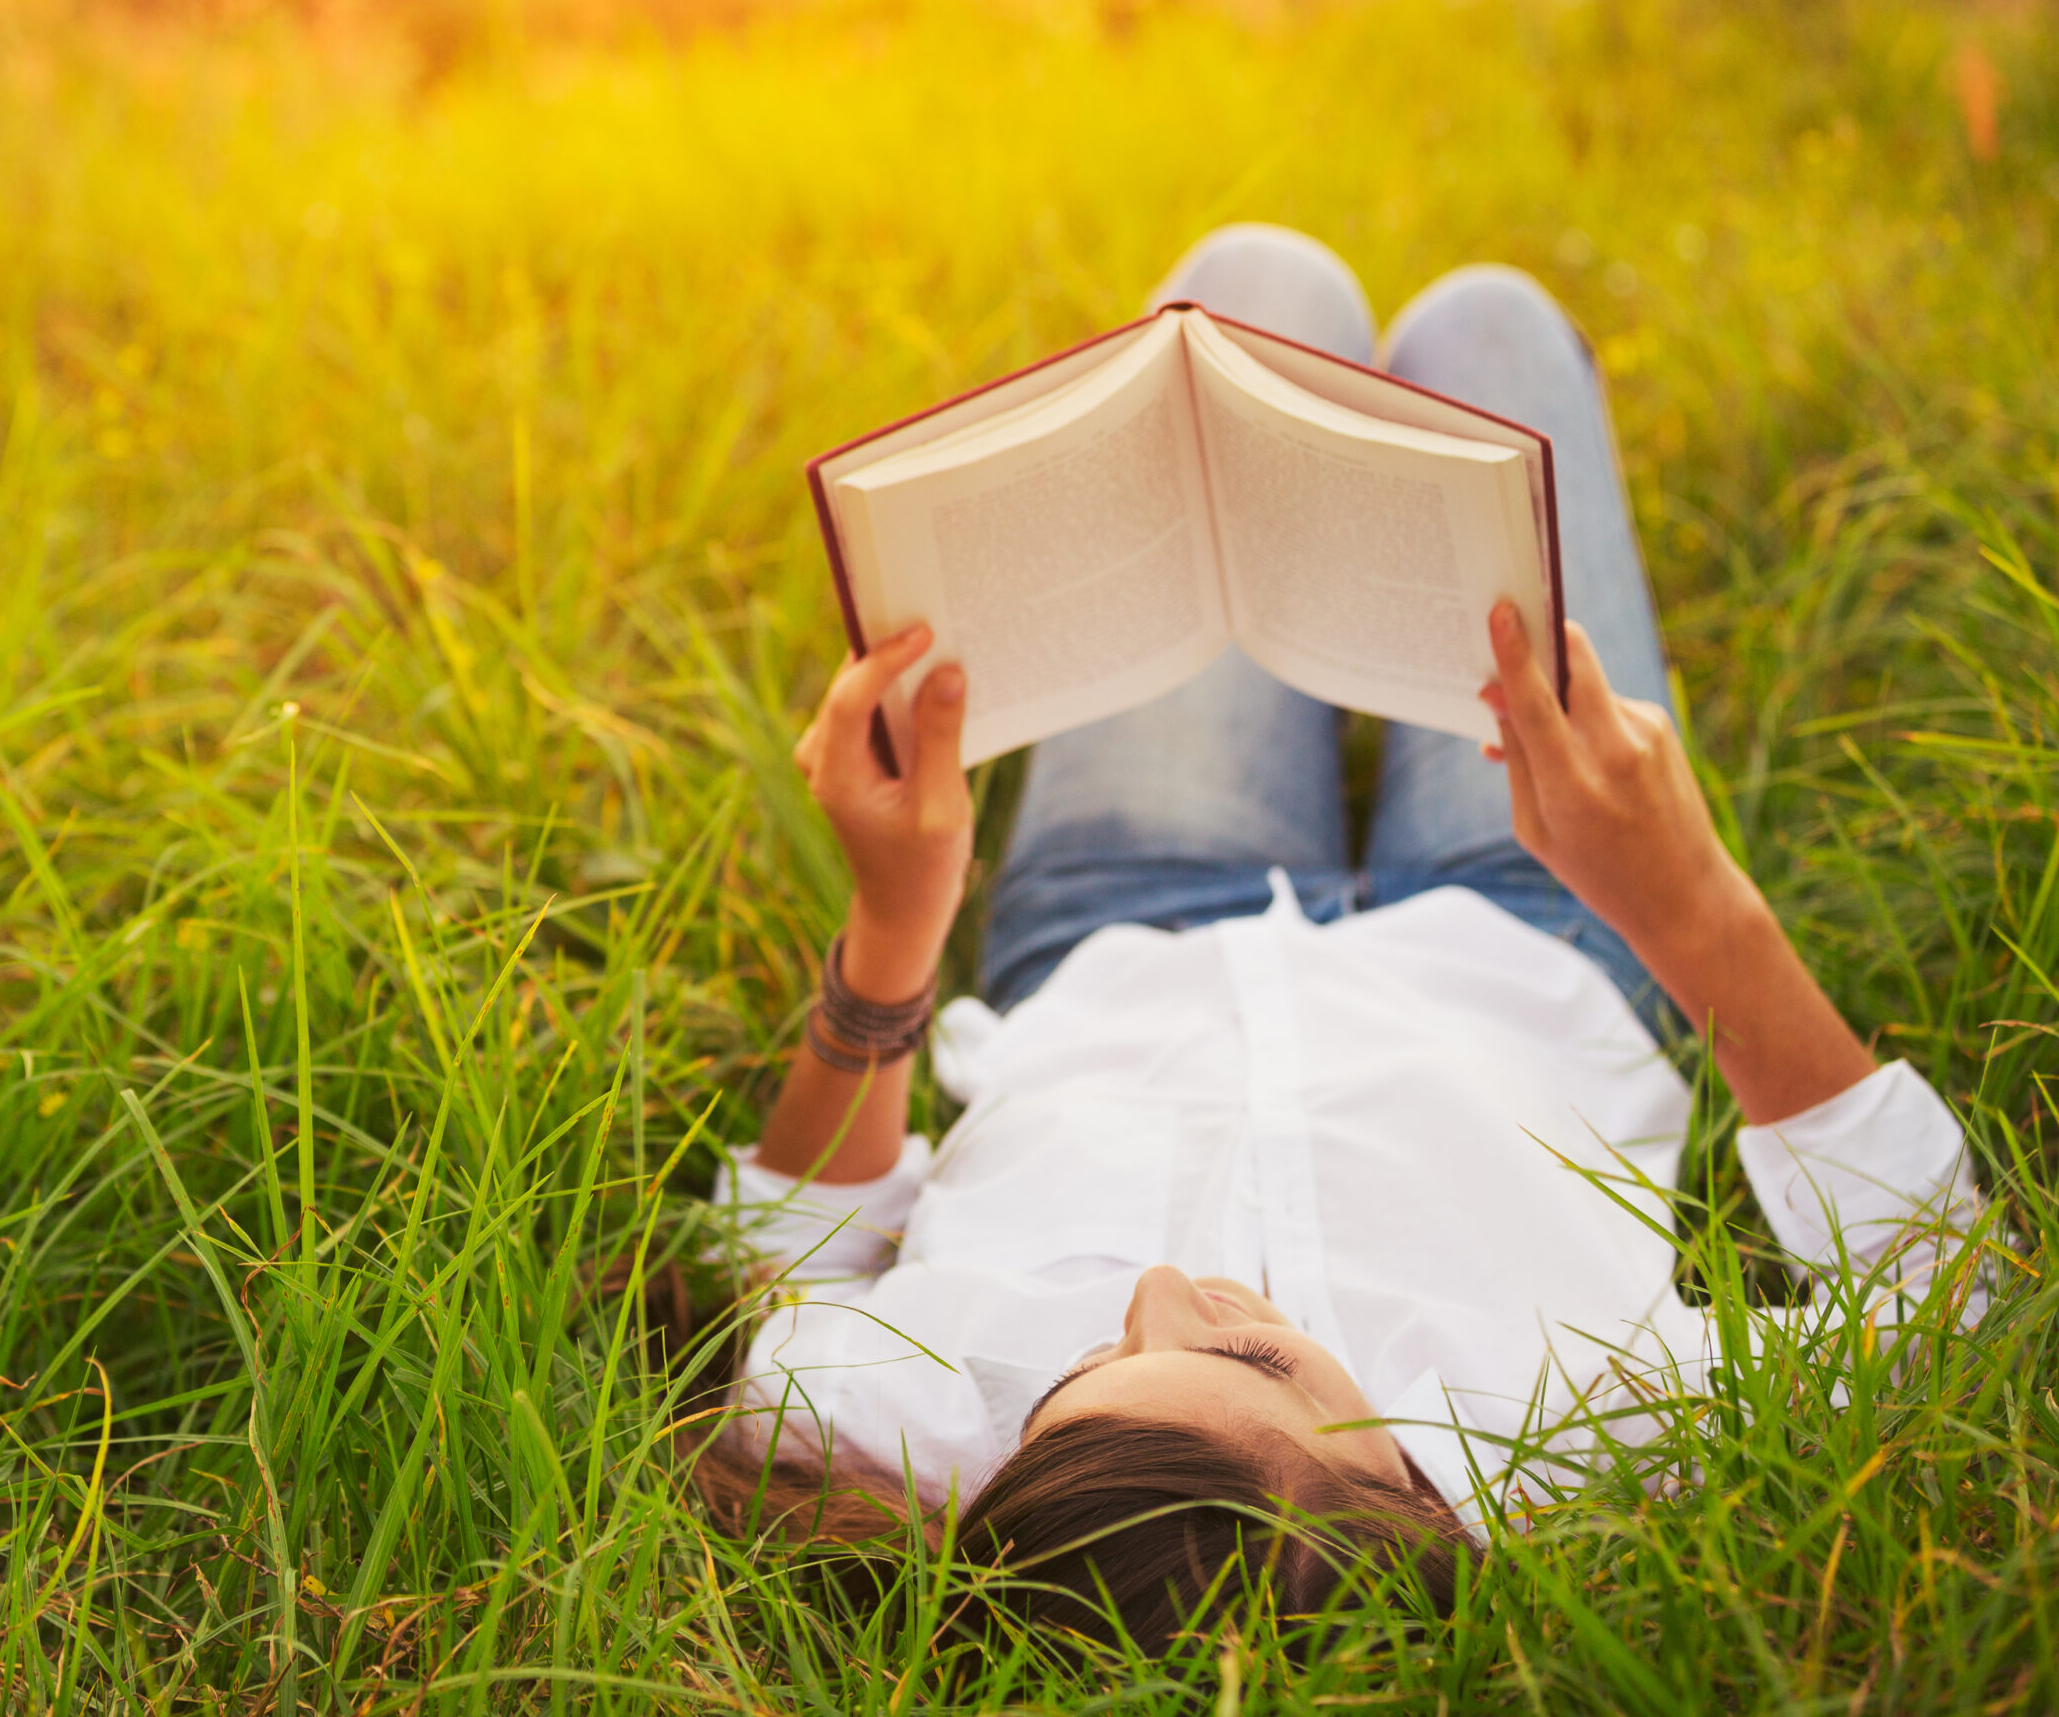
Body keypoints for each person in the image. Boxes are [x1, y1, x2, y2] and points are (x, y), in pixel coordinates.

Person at [695, 225, 1986, 1652]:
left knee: (1248, 292)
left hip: (1124, 919)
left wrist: (894, 923)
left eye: (1094, 1361)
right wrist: (1694, 911)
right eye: (1249, 1356)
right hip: (1537, 928)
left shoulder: (920, 1445)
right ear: (1412, 1502)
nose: (1156, 1291)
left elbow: (794, 1256)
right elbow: (1949, 1313)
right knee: (1490, 323)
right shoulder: (1588, 1446)